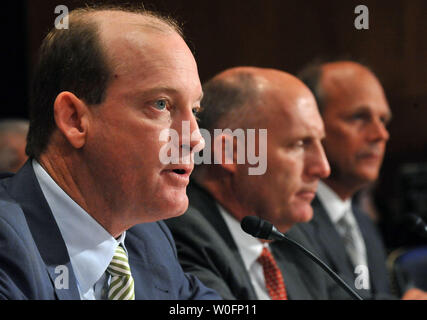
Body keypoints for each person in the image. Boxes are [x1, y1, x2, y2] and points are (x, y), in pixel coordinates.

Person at [0, 6, 220, 300]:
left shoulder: (147, 237)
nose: (195, 139)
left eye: (194, 110)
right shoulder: (8, 245)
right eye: (161, 105)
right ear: (74, 119)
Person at [165, 66, 340, 300]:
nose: (322, 168)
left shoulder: (290, 235)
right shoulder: (183, 235)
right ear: (230, 152)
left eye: (320, 143)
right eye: (299, 145)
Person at [298, 60, 427, 300]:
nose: (381, 134)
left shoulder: (363, 223)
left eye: (383, 120)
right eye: (359, 117)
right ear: (311, 124)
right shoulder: (290, 218)